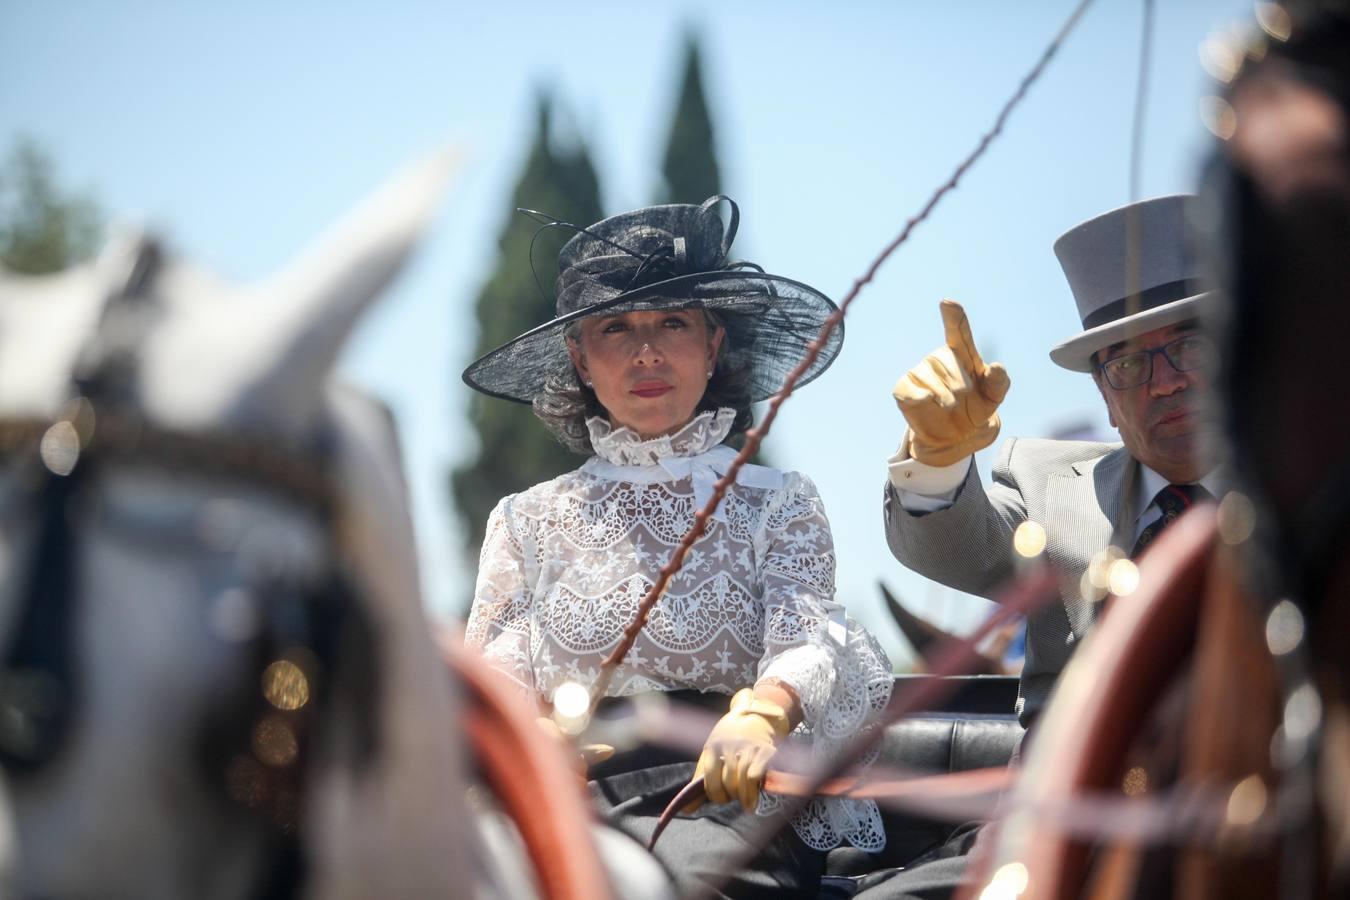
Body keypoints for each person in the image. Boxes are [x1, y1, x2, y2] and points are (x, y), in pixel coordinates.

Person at [463, 196, 893, 898]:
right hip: (565, 802)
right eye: (615, 328)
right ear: (579, 358)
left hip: (725, 799)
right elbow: (500, 675)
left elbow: (805, 631)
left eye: (673, 323)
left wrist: (765, 711)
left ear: (713, 344)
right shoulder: (524, 520)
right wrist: (527, 750)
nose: (648, 352)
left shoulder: (776, 499)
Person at [883, 194, 1223, 731]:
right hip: (1069, 802)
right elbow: (954, 546)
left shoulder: (1311, 492)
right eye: (1131, 362)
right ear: (1106, 398)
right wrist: (937, 460)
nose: (1167, 381)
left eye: (1192, 348)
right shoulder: (1047, 490)